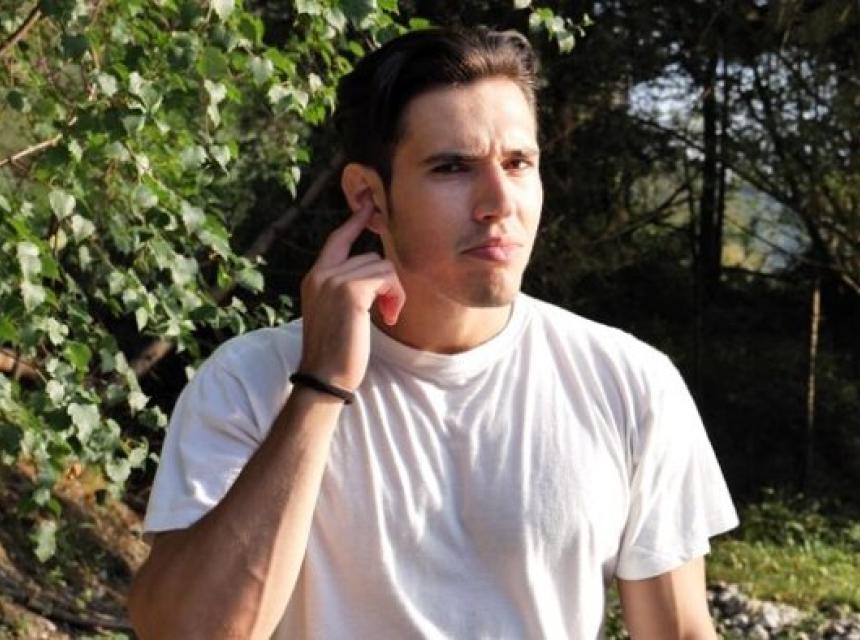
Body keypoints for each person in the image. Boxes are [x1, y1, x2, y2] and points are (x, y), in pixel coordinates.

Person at [128, 27, 738, 639]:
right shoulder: (250, 380)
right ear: (368, 196)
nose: (498, 201)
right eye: (452, 167)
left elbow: (680, 633)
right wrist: (318, 385)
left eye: (518, 164)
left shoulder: (629, 382)